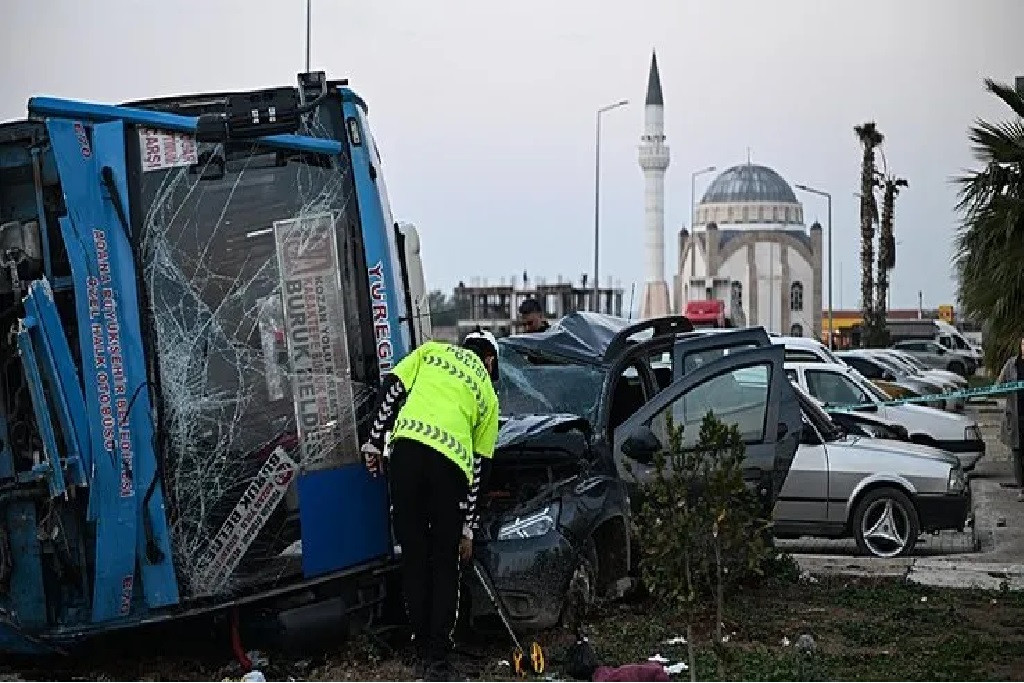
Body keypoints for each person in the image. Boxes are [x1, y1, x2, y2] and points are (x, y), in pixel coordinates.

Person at [360, 329, 500, 679]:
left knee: (414, 556)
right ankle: (436, 658)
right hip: (449, 468)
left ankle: (419, 642)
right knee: (443, 562)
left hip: (405, 454)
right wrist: (467, 528)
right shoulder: (488, 393)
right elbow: (480, 468)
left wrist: (375, 442)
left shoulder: (430, 352)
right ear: (490, 361)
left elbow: (391, 389)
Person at [997, 335, 1024, 502]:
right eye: (1023, 344)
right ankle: (1022, 488)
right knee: (1017, 454)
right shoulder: (1011, 365)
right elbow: (999, 385)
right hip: (1015, 416)